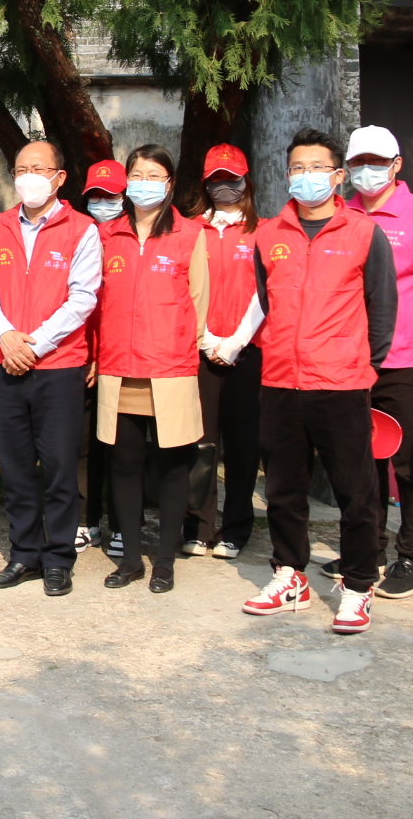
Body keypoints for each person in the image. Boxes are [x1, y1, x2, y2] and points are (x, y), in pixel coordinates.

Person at [241, 128, 396, 635]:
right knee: (283, 489)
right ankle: (290, 575)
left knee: (356, 490)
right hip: (280, 381)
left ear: (338, 176)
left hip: (341, 382)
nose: (306, 177)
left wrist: (361, 364)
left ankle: (358, 584)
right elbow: (265, 301)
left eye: (317, 168)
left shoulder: (364, 233)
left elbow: (382, 309)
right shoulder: (269, 234)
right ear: (287, 175)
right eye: (298, 168)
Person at [0, 140, 100, 597]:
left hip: (59, 366)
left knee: (60, 467)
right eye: (21, 168)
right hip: (5, 362)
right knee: (17, 467)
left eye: (39, 168)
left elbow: (83, 297)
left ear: (59, 178)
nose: (28, 177)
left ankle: (58, 558)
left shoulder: (82, 229)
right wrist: (7, 337)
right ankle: (24, 553)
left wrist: (37, 344)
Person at [333, 124, 413, 600]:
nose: (367, 171)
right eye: (358, 163)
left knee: (410, 460)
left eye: (376, 163)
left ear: (397, 165)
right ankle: (369, 549)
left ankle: (412, 556)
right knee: (362, 458)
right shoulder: (340, 214)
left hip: (405, 356)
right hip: (350, 357)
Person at [93, 145, 207, 593]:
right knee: (124, 463)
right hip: (118, 366)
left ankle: (164, 561)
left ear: (169, 184)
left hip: (170, 366)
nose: (144, 184)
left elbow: (199, 300)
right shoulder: (108, 235)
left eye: (154, 176)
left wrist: (184, 349)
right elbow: (96, 300)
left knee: (172, 466)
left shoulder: (190, 234)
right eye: (137, 175)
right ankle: (130, 560)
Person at [185, 144, 266, 561]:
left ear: (245, 182)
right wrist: (206, 340)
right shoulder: (190, 230)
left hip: (246, 352)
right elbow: (184, 290)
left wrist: (234, 342)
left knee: (242, 445)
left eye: (230, 179)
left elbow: (265, 293)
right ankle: (198, 526)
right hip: (200, 350)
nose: (223, 187)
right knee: (200, 444)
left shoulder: (263, 232)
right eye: (215, 180)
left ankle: (235, 528)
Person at [77, 156, 127, 553]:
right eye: (95, 196)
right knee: (81, 446)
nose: (102, 203)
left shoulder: (132, 237)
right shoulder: (79, 233)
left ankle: (123, 524)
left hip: (119, 355)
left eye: (110, 196)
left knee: (123, 448)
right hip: (79, 355)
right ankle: (85, 520)